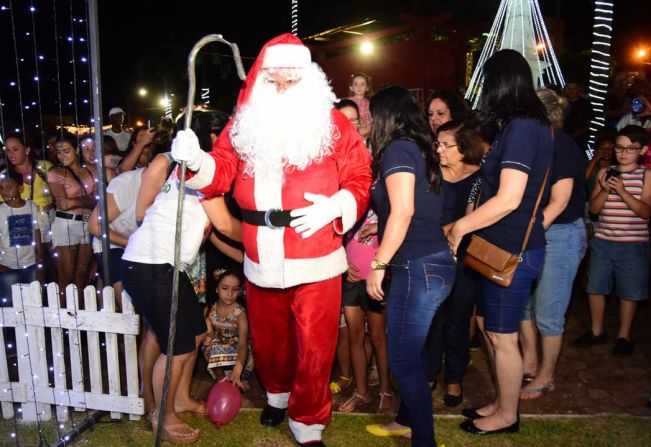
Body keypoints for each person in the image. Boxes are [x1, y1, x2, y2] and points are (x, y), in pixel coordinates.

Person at [171, 34, 372, 446]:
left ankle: (309, 418)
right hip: (260, 250)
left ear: (309, 82)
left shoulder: (332, 123)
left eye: (290, 82)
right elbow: (222, 167)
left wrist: (336, 205)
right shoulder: (245, 123)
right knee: (270, 341)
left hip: (315, 249)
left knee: (316, 345)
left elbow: (359, 175)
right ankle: (278, 396)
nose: (281, 90)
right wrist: (196, 160)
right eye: (273, 82)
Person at [447, 49, 553, 435]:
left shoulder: (524, 127)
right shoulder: (523, 125)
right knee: (494, 330)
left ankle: (508, 416)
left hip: (513, 250)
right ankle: (502, 402)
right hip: (501, 247)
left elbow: (509, 199)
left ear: (500, 83)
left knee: (503, 337)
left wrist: (460, 227)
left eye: (485, 81)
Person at [122, 109, 241, 443]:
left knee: (193, 334)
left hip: (163, 266)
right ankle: (163, 414)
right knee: (177, 346)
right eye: (222, 134)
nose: (226, 142)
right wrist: (267, 238)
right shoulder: (195, 172)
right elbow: (227, 225)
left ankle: (178, 399)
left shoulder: (199, 170)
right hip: (151, 265)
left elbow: (215, 229)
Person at [362, 86, 454, 447]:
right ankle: (405, 420)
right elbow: (409, 209)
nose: (370, 121)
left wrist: (378, 264)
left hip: (419, 265)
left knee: (401, 360)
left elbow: (403, 211)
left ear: (387, 116)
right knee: (409, 350)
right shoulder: (418, 148)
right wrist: (379, 227)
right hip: (428, 262)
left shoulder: (399, 148)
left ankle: (424, 440)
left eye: (373, 114)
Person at [519, 88, 587, 400]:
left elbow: (558, 203)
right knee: (523, 304)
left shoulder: (563, 146)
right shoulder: (535, 142)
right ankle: (530, 362)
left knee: (548, 311)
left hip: (559, 235)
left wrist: (524, 238)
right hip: (536, 231)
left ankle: (546, 377)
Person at [332, 98, 393, 415]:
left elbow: (399, 209)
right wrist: (343, 262)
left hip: (377, 264)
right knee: (355, 334)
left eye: (354, 119)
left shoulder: (378, 158)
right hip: (348, 267)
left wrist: (381, 225)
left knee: (378, 335)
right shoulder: (328, 166)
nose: (349, 125)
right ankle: (361, 391)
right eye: (343, 119)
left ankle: (384, 390)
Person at [575, 125, 650, 356]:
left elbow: (645, 212)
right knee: (595, 286)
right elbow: (595, 209)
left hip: (633, 243)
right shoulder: (603, 172)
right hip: (603, 239)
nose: (623, 153)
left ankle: (624, 335)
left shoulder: (646, 175)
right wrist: (606, 190)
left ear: (643, 150)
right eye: (620, 147)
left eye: (630, 149)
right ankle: (597, 331)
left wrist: (624, 191)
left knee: (629, 290)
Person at [425, 119, 483, 408]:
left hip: (464, 259)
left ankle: (454, 378)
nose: (439, 149)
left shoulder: (479, 178)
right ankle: (429, 371)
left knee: (458, 321)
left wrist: (455, 227)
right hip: (431, 256)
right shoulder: (430, 175)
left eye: (446, 145)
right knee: (432, 318)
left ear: (464, 148)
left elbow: (480, 218)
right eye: (438, 144)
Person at [47, 134, 97, 303]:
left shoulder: (90, 169)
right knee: (66, 275)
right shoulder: (55, 172)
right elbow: (63, 204)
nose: (62, 156)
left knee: (83, 274)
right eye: (58, 152)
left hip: (88, 223)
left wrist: (77, 201)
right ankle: (63, 319)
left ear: (76, 150)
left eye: (66, 151)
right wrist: (88, 200)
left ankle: (80, 316)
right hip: (66, 224)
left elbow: (99, 199)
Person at [202, 269, 254, 391]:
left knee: (252, 349)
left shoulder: (240, 314)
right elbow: (204, 336)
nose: (230, 294)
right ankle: (220, 378)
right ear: (217, 289)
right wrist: (207, 332)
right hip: (219, 351)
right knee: (208, 345)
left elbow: (242, 345)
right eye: (225, 288)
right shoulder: (210, 310)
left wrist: (237, 369)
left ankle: (241, 378)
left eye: (235, 289)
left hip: (238, 351)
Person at [0, 171, 46, 300]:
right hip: (8, 266)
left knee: (32, 301)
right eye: (1, 188)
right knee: (10, 303)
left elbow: (36, 230)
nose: (4, 192)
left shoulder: (31, 206)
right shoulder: (1, 211)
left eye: (9, 187)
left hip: (30, 264)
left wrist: (40, 253)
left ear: (20, 188)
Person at [348, 72, 372, 139]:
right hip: (355, 129)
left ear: (367, 88)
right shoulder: (349, 101)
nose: (359, 87)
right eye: (356, 84)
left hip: (367, 132)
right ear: (351, 88)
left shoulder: (368, 102)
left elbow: (370, 116)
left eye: (362, 84)